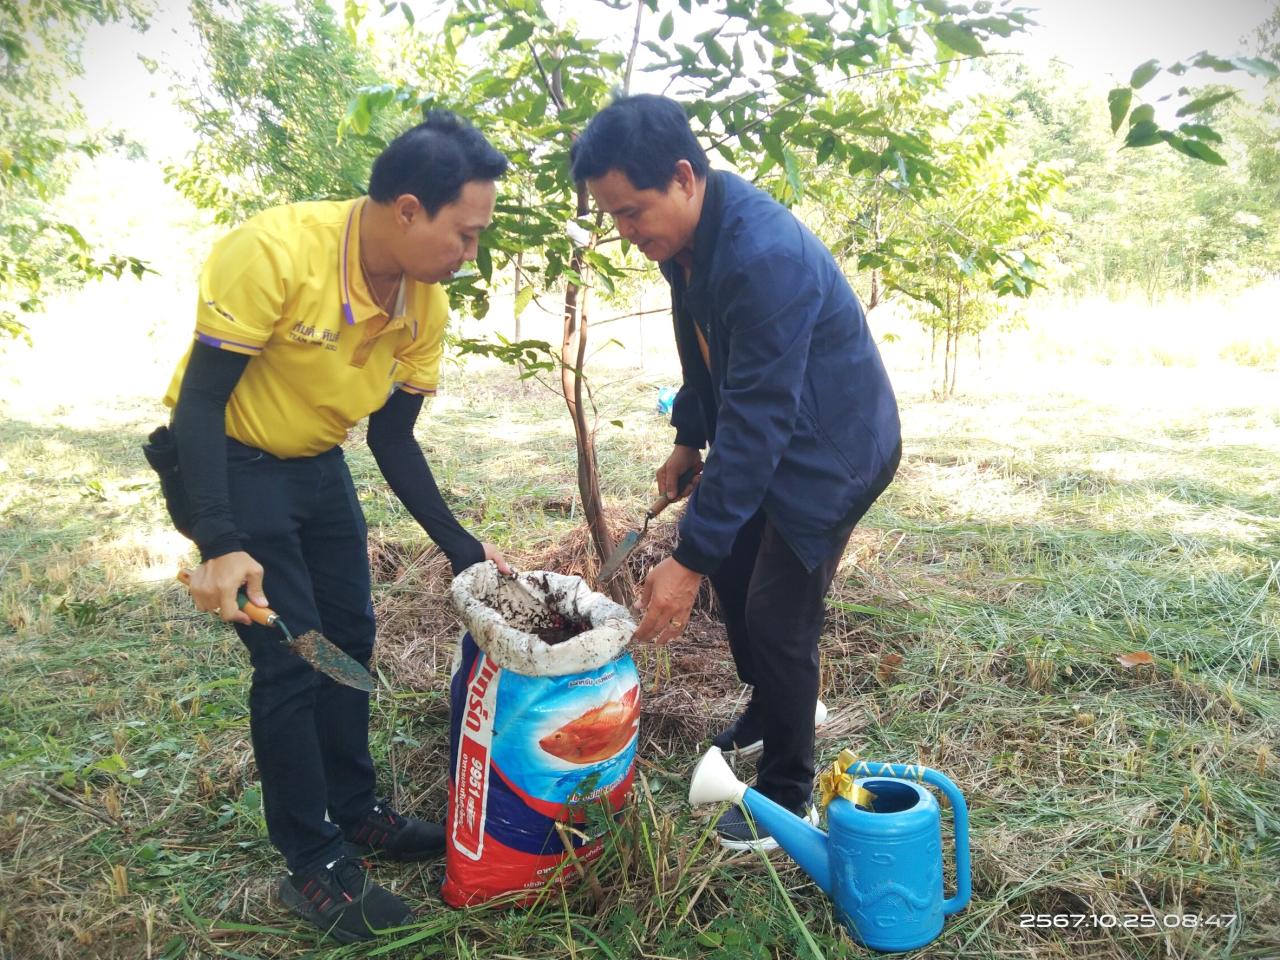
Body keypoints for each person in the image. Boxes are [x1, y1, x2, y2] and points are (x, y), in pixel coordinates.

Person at [164, 112, 512, 943]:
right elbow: (201, 403)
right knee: (293, 658)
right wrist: (217, 540)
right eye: (463, 235)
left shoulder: (421, 299)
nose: (471, 256)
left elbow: (392, 435)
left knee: (349, 638)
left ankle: (357, 811)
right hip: (228, 460)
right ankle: (313, 862)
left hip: (315, 464)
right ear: (405, 209)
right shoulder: (276, 252)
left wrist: (460, 543)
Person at [571, 95, 901, 850]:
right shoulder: (686, 244)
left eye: (632, 212)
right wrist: (690, 435)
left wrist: (685, 559)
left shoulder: (761, 256)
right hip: (778, 430)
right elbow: (701, 348)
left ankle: (790, 789)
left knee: (780, 616)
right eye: (612, 217)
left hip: (832, 449)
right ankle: (769, 709)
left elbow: (758, 425)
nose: (626, 233)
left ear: (684, 177)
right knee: (734, 577)